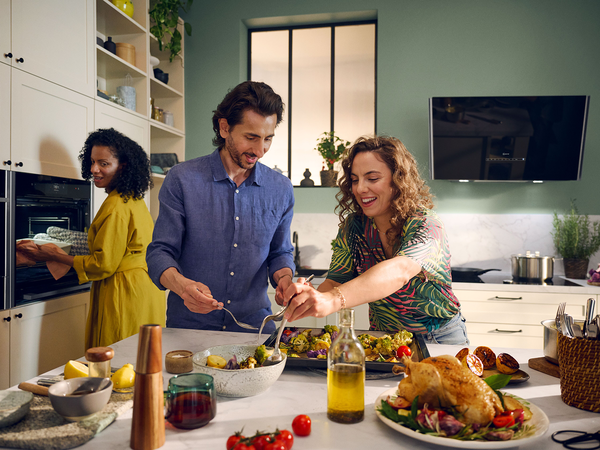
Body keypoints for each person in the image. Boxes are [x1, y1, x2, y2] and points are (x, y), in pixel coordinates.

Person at [282, 135, 469, 345]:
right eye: (354, 179)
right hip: (384, 338)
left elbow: (399, 271)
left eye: (372, 178)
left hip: (439, 339)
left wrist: (333, 299)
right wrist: (308, 297)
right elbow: (335, 281)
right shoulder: (354, 227)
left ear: (398, 181)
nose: (360, 188)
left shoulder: (426, 224)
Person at [146, 81, 295, 334]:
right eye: (251, 137)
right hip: (190, 329)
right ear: (224, 127)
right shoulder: (182, 179)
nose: (260, 150)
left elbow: (280, 252)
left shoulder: (281, 188)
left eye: (268, 139)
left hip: (255, 331)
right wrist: (182, 286)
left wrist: (285, 280)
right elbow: (159, 252)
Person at [20, 128, 166, 349]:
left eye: (103, 163)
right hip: (144, 289)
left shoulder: (116, 206)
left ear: (123, 166)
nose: (94, 169)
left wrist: (55, 254)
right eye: (92, 162)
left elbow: (103, 264)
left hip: (124, 292)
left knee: (115, 361)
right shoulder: (132, 199)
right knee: (142, 359)